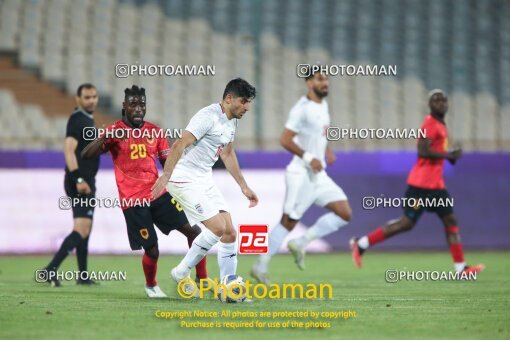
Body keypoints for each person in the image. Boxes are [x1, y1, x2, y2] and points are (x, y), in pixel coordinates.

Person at [81, 85, 208, 297]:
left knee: (195, 233)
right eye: (133, 105)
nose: (138, 109)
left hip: (158, 193)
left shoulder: (155, 131)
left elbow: (168, 163)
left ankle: (202, 280)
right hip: (133, 201)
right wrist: (105, 136)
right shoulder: (115, 132)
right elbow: (86, 154)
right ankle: (151, 285)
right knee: (152, 249)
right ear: (124, 107)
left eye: (142, 105)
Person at [350, 89, 484, 275]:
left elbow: (436, 152)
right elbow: (422, 150)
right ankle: (362, 243)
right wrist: (447, 155)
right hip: (421, 185)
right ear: (429, 105)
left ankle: (461, 268)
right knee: (406, 223)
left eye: (443, 100)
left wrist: (451, 157)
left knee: (450, 219)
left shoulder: (441, 125)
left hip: (436, 185)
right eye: (436, 100)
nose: (441, 103)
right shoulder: (430, 124)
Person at [151, 78, 258, 287]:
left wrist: (243, 186)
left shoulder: (232, 120)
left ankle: (228, 282)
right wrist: (165, 175)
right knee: (217, 227)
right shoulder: (207, 116)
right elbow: (179, 144)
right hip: (183, 177)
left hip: (204, 178)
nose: (247, 107)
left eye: (249, 102)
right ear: (229, 98)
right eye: (243, 101)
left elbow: (227, 153)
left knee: (229, 232)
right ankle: (181, 272)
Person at [251, 68, 352, 284]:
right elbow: (285, 139)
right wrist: (309, 157)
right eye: (320, 79)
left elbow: (318, 134)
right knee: (288, 221)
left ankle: (302, 242)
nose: (325, 82)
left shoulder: (323, 105)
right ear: (309, 83)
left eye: (326, 78)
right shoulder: (301, 109)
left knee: (344, 213)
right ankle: (260, 266)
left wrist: (326, 151)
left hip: (318, 174)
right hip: (301, 173)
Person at [42, 84, 100, 287]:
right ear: (78, 99)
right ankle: (50, 270)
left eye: (94, 96)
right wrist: (78, 180)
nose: (91, 100)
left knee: (86, 228)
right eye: (87, 97)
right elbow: (68, 150)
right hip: (79, 182)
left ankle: (83, 276)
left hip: (87, 181)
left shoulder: (88, 121)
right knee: (81, 229)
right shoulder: (78, 120)